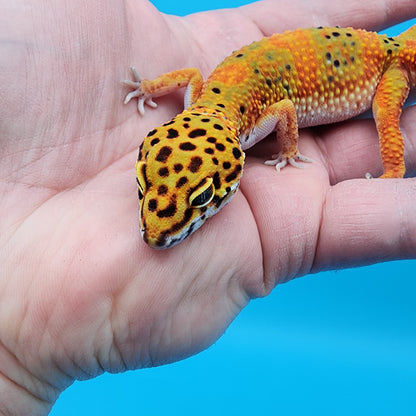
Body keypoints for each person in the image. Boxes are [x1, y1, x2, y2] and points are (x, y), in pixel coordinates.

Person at [0, 0, 415, 413]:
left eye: (199, 200)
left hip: (384, 64)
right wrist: (148, 87)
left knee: (385, 112)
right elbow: (194, 77)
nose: (156, 229)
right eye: (147, 187)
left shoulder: (243, 122)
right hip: (309, 63)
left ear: (234, 167)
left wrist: (289, 150)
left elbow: (282, 108)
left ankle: (394, 173)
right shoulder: (202, 105)